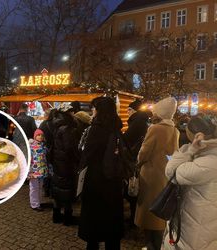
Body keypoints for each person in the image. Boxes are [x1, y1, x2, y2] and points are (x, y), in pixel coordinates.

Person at [163, 115, 217, 250]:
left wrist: (189, 150)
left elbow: (172, 173)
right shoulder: (213, 156)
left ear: (197, 136)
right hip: (202, 223)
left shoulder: (209, 163)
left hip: (195, 230)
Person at [78, 97, 124, 250]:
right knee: (112, 223)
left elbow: (87, 155)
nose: (92, 111)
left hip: (96, 181)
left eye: (94, 108)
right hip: (114, 181)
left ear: (99, 110)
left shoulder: (96, 129)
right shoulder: (117, 128)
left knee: (94, 224)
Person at [134, 97, 179, 250]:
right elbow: (174, 153)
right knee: (159, 209)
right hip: (164, 174)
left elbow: (144, 153)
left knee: (148, 211)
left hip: (151, 174)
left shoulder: (155, 129)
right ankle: (158, 243)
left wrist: (138, 163)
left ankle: (151, 245)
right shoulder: (175, 130)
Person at [51, 103, 80, 226]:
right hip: (66, 163)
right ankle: (68, 217)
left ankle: (56, 215)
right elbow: (70, 148)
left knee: (59, 187)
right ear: (68, 114)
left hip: (58, 161)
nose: (74, 114)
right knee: (67, 189)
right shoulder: (68, 128)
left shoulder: (57, 125)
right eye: (72, 112)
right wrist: (77, 158)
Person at [123, 99, 149, 227]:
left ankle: (134, 218)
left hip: (133, 159)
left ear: (134, 111)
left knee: (133, 188)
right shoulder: (140, 121)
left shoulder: (137, 122)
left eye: (129, 110)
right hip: (135, 158)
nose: (127, 112)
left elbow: (127, 139)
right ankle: (134, 216)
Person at [28, 129, 48, 211]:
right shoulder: (31, 146)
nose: (40, 137)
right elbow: (29, 159)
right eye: (38, 135)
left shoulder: (43, 146)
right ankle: (34, 204)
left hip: (42, 170)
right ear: (35, 136)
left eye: (42, 135)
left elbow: (45, 159)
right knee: (34, 187)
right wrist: (29, 171)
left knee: (40, 187)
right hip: (34, 171)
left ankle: (38, 202)